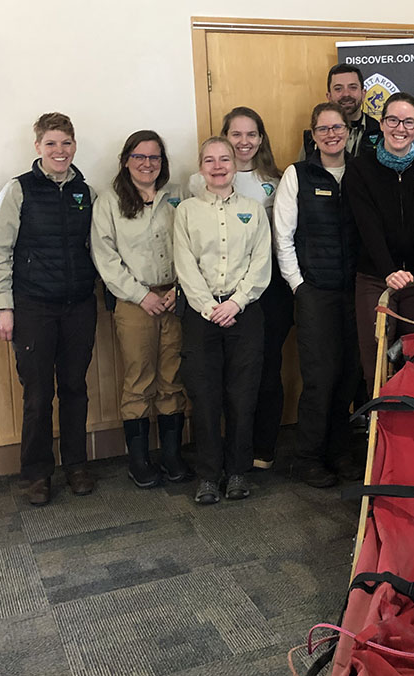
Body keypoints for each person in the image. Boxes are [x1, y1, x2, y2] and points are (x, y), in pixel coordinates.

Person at [0, 112, 97, 506]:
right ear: (37, 147)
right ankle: (36, 474)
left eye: (66, 143)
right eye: (51, 143)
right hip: (33, 307)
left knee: (74, 388)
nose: (59, 151)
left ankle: (76, 466)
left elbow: (97, 248)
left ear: (74, 145)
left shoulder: (86, 191)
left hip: (79, 306)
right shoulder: (18, 190)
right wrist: (3, 306)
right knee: (37, 395)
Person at [174, 137, 271, 504]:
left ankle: (237, 473)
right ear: (201, 167)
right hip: (202, 316)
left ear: (235, 163)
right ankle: (208, 477)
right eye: (210, 160)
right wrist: (208, 306)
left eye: (224, 159)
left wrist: (236, 302)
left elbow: (261, 262)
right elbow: (185, 265)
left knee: (242, 396)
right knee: (205, 397)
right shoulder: (186, 211)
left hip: (244, 314)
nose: (218, 166)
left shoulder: (253, 208)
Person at [92, 130, 189, 489]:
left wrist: (180, 289)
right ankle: (139, 459)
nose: (147, 164)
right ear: (126, 161)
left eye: (154, 158)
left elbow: (193, 243)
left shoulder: (177, 196)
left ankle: (172, 455)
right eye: (139, 157)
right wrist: (139, 294)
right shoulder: (109, 202)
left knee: (172, 378)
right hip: (135, 303)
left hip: (175, 299)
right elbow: (105, 258)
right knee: (139, 381)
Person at [275, 102, 362, 488]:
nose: (332, 134)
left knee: (349, 376)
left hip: (354, 292)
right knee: (319, 378)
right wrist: (299, 286)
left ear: (348, 131)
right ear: (313, 135)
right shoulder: (298, 175)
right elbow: (283, 236)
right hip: (315, 293)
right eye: (323, 129)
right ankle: (307, 457)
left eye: (338, 127)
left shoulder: (360, 173)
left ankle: (339, 452)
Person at [201, 107, 288, 472]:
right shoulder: (198, 182)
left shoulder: (278, 179)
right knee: (227, 374)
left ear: (261, 138)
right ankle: (230, 449)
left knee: (267, 369)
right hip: (221, 292)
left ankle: (262, 448)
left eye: (251, 134)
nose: (244, 142)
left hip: (269, 287)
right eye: (235, 134)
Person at [345, 92, 414, 393]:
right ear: (382, 123)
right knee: (375, 358)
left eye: (408, 122)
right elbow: (367, 225)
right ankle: (380, 432)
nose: (400, 128)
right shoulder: (360, 168)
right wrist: (388, 269)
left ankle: (413, 433)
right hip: (375, 276)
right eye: (392, 120)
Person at [300, 64, 381, 159]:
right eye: (338, 89)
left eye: (353, 87)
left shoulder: (381, 132)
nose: (346, 94)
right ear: (329, 96)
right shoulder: (312, 138)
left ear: (363, 94)